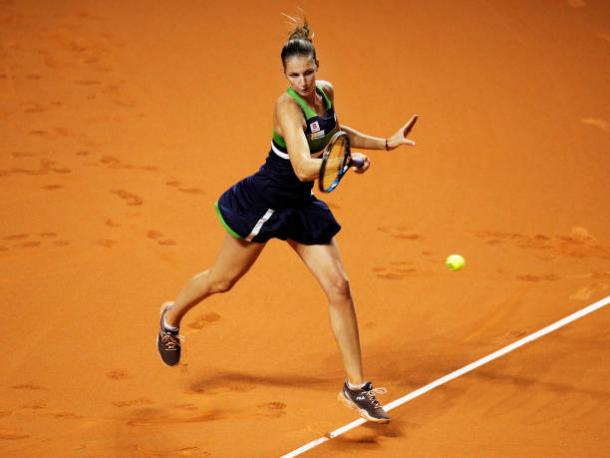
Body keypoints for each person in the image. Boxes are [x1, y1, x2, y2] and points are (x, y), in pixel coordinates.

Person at [156, 17, 417, 424]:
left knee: (340, 287)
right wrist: (345, 161)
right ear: (284, 75)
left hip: (298, 207)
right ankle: (171, 316)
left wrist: (383, 143)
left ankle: (356, 387)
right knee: (221, 281)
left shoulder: (325, 94)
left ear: (317, 65)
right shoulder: (285, 107)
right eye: (294, 75)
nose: (303, 81)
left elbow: (333, 132)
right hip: (264, 202)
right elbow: (300, 165)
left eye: (308, 71)